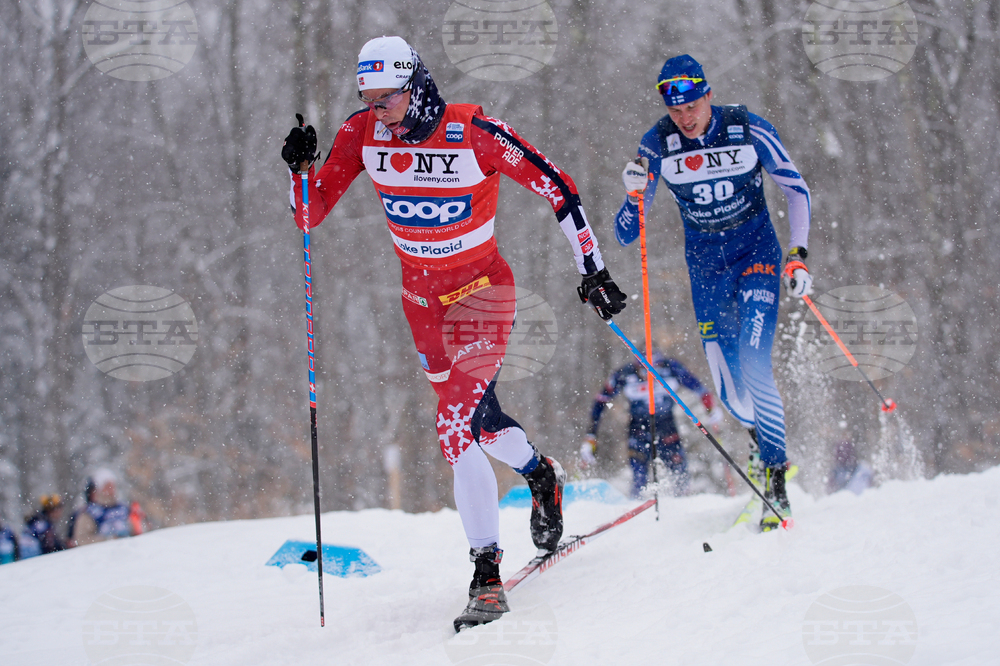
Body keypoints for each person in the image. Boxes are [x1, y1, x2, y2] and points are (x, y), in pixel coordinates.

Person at [279, 36, 627, 631]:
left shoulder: (473, 130)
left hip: (483, 295)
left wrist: (591, 269)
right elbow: (309, 214)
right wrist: (299, 170)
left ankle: (486, 574)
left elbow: (559, 187)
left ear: (415, 86)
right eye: (368, 98)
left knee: (452, 426)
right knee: (480, 423)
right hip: (423, 304)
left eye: (387, 98)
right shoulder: (363, 133)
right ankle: (542, 474)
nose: (378, 110)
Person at [614, 55, 812, 531]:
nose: (685, 117)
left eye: (692, 105)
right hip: (706, 273)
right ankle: (759, 438)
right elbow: (626, 234)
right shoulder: (656, 144)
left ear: (708, 94)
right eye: (674, 108)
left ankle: (777, 486)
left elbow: (796, 189)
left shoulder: (747, 128)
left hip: (757, 259)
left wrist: (798, 253)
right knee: (731, 391)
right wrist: (632, 196)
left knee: (755, 360)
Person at [581, 351, 718, 497]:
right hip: (638, 430)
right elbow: (602, 402)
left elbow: (701, 390)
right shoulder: (625, 374)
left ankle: (682, 504)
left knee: (679, 474)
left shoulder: (671, 369)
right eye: (643, 370)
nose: (648, 375)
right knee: (639, 478)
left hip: (667, 429)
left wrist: (712, 412)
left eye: (654, 369)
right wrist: (591, 433)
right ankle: (638, 504)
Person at [66, 469, 141, 547]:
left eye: (112, 486)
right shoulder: (90, 513)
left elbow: (138, 529)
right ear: (99, 489)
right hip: (103, 554)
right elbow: (82, 539)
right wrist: (108, 540)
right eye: (107, 486)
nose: (111, 490)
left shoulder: (124, 508)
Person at [20, 494, 66, 558]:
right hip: (35, 559)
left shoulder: (39, 520)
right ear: (52, 510)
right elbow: (48, 546)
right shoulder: (42, 524)